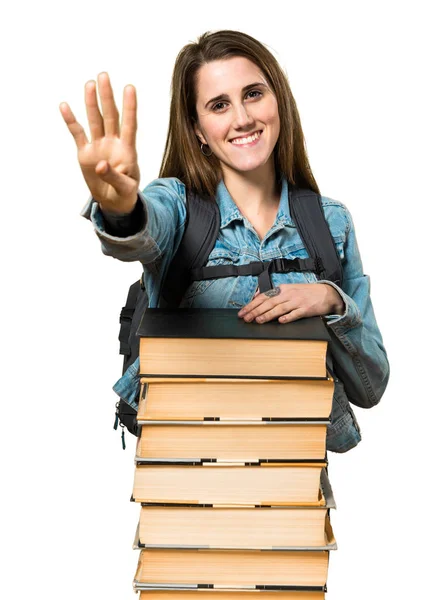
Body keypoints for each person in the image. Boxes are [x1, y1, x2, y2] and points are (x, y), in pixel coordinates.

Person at [59, 29, 389, 453]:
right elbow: (139, 233)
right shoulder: (177, 206)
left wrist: (331, 300)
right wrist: (121, 206)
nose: (242, 118)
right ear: (197, 130)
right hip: (185, 483)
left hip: (295, 485)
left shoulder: (330, 221)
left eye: (253, 94)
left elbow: (372, 384)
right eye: (219, 105)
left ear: (279, 102)